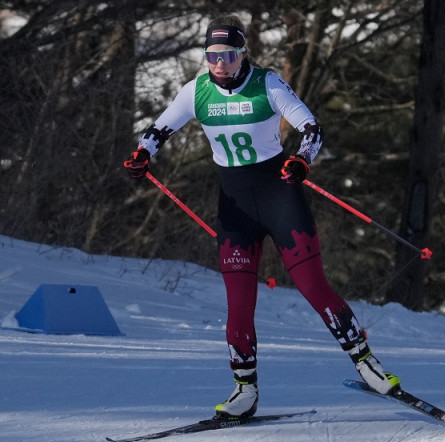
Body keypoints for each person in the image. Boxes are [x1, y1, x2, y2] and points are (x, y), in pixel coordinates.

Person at [124, 15, 400, 420]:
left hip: (279, 198)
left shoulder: (267, 83)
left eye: (229, 55)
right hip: (235, 209)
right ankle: (245, 390)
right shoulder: (196, 91)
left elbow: (312, 128)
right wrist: (142, 154)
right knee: (238, 305)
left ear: (243, 53)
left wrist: (302, 160)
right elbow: (157, 130)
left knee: (313, 287)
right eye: (212, 55)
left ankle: (367, 364)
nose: (220, 64)